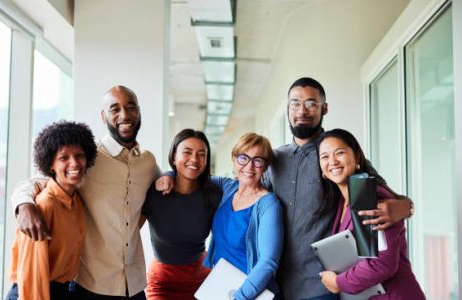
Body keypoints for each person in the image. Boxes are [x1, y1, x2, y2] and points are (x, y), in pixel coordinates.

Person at [262, 77, 413, 299]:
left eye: (311, 103)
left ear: (324, 108)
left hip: (323, 286)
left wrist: (406, 206)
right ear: (288, 109)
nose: (302, 110)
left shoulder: (339, 156)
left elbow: (379, 191)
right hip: (279, 285)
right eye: (295, 103)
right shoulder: (274, 160)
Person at [11, 86, 160, 299]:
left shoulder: (148, 162)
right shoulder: (86, 159)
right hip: (92, 285)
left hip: (135, 285)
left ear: (139, 111)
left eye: (130, 107)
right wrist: (24, 205)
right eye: (115, 109)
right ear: (103, 116)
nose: (124, 115)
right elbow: (37, 182)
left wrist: (169, 179)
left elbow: (163, 186)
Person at [317, 128, 425, 299]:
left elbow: (381, 263)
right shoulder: (342, 202)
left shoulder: (368, 196)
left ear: (357, 157)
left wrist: (339, 282)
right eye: (325, 157)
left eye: (340, 153)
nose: (333, 161)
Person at [6, 121, 97, 300]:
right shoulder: (44, 205)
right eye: (64, 158)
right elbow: (32, 274)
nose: (74, 164)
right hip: (34, 292)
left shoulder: (76, 199)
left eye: (79, 155)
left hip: (62, 291)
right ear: (50, 165)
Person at [140, 129, 222, 300]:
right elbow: (129, 233)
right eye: (187, 152)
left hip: (200, 278)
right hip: (162, 282)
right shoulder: (154, 192)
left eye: (201, 154)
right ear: (173, 157)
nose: (194, 159)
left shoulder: (214, 194)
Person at [204, 132, 283, 300]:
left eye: (258, 160)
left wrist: (240, 297)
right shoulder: (228, 187)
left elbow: (268, 262)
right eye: (243, 158)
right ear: (234, 159)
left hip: (252, 294)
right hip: (223, 288)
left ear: (265, 166)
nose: (249, 166)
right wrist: (168, 176)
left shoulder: (268, 205)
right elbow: (193, 177)